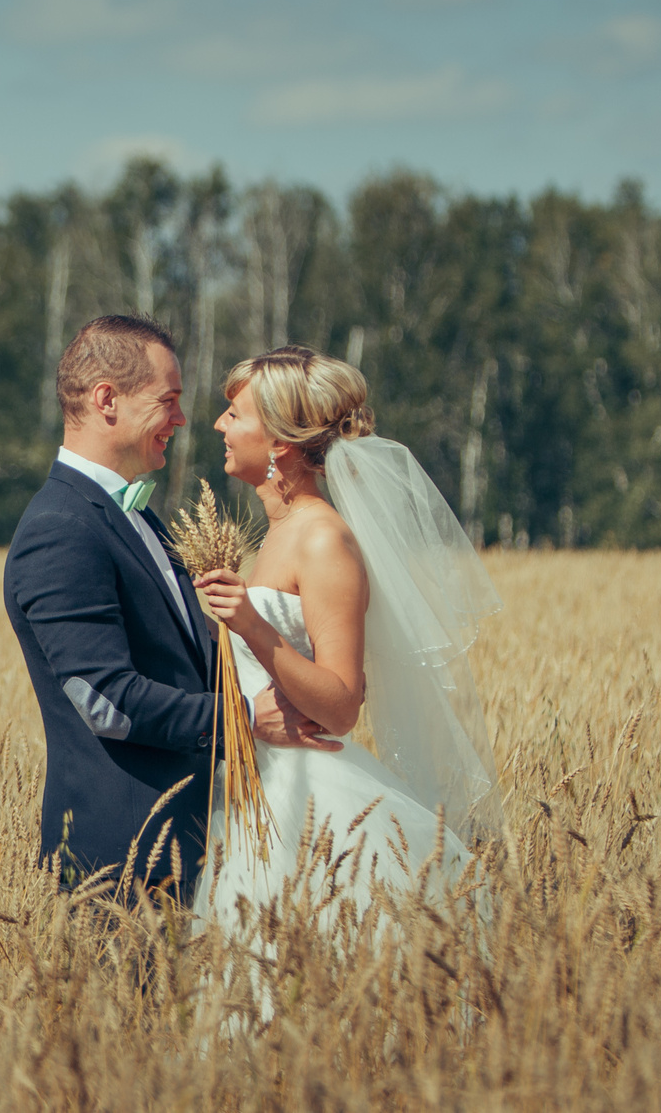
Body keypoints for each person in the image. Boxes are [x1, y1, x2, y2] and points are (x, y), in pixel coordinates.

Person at [3, 317, 340, 904]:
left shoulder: (135, 516)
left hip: (195, 846)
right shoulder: (61, 528)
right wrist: (244, 719)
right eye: (169, 400)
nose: (183, 419)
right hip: (121, 859)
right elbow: (106, 699)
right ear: (107, 399)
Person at [191, 345, 504, 930]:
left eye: (235, 414)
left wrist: (251, 623)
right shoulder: (280, 531)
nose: (219, 425)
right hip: (253, 791)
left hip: (307, 802)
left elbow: (339, 705)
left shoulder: (322, 540)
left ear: (280, 442)